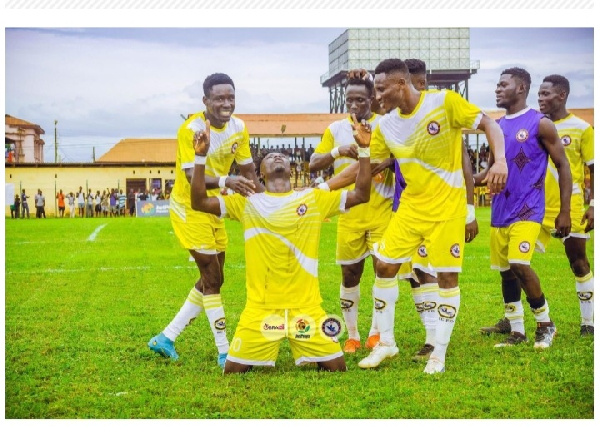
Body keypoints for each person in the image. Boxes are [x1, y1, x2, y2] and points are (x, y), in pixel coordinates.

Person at [353, 58, 507, 374]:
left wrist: (499, 162)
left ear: (400, 84)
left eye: (381, 89)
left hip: (447, 211)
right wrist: (364, 150)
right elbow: (372, 168)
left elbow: (490, 124)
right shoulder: (384, 124)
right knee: (384, 266)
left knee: (447, 279)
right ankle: (387, 343)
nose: (376, 97)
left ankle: (439, 351)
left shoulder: (444, 102)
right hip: (410, 209)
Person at [190, 113, 373, 373]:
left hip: (305, 310)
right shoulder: (247, 202)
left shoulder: (313, 199)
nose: (277, 156)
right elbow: (198, 202)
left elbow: (361, 194)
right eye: (268, 157)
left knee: (337, 367)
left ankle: (306, 340)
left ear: (292, 167)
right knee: (232, 372)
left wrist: (365, 150)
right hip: (262, 312)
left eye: (282, 156)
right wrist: (200, 157)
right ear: (259, 172)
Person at [148, 73, 263, 368]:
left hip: (214, 208)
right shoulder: (192, 129)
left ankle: (166, 337)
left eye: (231, 98)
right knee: (212, 280)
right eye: (220, 98)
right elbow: (192, 177)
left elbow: (249, 170)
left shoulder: (239, 128)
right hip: (190, 207)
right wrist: (228, 179)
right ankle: (224, 352)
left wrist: (273, 201)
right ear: (206, 101)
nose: (226, 103)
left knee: (217, 277)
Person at [482, 73, 593, 337]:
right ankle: (514, 321)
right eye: (540, 94)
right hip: (528, 204)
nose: (541, 98)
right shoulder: (516, 124)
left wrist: (593, 203)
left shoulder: (579, 128)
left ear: (562, 95)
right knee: (513, 265)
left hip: (568, 205)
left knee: (577, 261)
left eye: (546, 94)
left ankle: (588, 321)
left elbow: (589, 167)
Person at [309, 76, 394, 354]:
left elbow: (396, 160)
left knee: (383, 271)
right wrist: (337, 151)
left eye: (360, 99)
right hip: (349, 213)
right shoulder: (336, 129)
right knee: (350, 275)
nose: (354, 105)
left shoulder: (385, 125)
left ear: (372, 99)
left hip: (381, 211)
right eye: (349, 100)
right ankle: (353, 334)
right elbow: (313, 163)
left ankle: (376, 332)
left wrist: (382, 164)